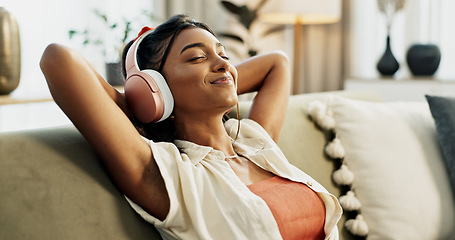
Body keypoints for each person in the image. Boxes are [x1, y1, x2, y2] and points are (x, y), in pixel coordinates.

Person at [40, 14, 341, 240]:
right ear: (156, 88)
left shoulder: (254, 142)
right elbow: (58, 59)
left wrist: (219, 74)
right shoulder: (170, 177)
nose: (223, 64)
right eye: (197, 57)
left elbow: (277, 63)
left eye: (224, 54)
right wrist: (141, 100)